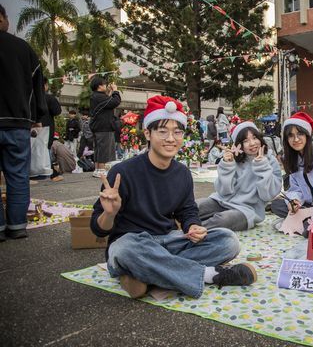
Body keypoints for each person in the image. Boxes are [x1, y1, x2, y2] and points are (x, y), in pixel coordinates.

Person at [90, 96, 257, 299]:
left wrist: (193, 226)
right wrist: (110, 213)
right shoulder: (122, 172)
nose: (171, 138)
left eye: (177, 132)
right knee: (124, 250)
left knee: (228, 240)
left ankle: (145, 274)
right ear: (147, 134)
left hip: (168, 240)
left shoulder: (182, 173)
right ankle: (210, 275)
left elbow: (187, 211)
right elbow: (98, 228)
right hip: (133, 244)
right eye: (162, 131)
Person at [0, 3, 47, 241]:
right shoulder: (22, 48)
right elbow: (38, 85)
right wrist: (37, 116)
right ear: (2, 18)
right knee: (18, 175)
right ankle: (17, 225)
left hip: (15, 120)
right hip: (17, 122)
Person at [195, 122, 282, 231]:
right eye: (246, 141)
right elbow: (223, 192)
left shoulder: (270, 160)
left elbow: (267, 196)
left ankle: (188, 232)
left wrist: (262, 166)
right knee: (196, 206)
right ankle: (173, 225)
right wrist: (227, 166)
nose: (252, 143)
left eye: (254, 138)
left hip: (247, 210)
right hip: (222, 201)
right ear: (239, 144)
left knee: (223, 220)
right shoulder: (235, 159)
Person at [89, 76, 121, 178]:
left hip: (97, 126)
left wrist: (110, 93)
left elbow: (108, 102)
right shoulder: (99, 96)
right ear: (99, 86)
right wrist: (115, 91)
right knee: (103, 148)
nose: (106, 86)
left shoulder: (95, 96)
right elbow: (115, 102)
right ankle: (102, 170)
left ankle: (98, 169)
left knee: (98, 148)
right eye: (104, 84)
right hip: (104, 126)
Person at [30, 77, 61, 179]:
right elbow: (57, 111)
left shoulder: (28, 96)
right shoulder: (48, 98)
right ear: (45, 86)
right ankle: (44, 174)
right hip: (46, 129)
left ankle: (32, 174)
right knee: (44, 152)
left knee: (31, 151)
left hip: (29, 129)